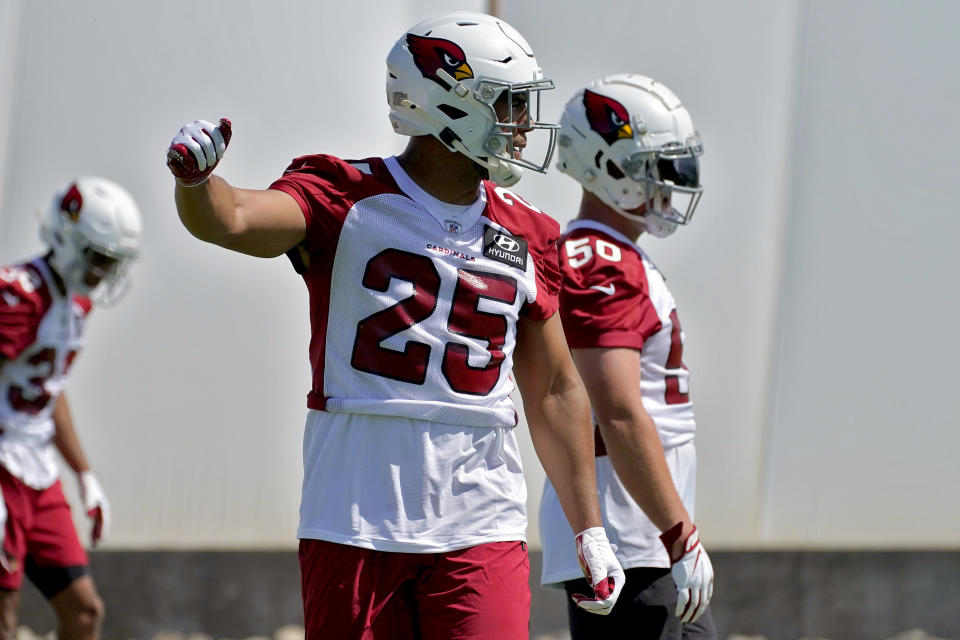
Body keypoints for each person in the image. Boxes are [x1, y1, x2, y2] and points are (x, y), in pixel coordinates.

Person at [164, 11, 624, 640]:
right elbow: (234, 218)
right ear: (450, 106)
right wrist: (198, 183)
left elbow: (554, 388)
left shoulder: (530, 231)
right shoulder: (346, 196)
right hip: (354, 510)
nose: (522, 126)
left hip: (480, 516)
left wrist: (588, 528)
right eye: (509, 104)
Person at [538, 74, 718, 639]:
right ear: (608, 167)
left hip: (641, 538)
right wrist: (677, 533)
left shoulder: (616, 256)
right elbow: (615, 410)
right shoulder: (603, 263)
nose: (670, 182)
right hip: (630, 540)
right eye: (655, 166)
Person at [0, 176, 142, 640]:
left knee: (83, 613)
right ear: (67, 238)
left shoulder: (76, 303)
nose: (102, 272)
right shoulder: (19, 296)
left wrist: (83, 474)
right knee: (4, 611)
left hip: (36, 469)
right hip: (3, 465)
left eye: (111, 262)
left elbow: (49, 390)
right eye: (98, 258)